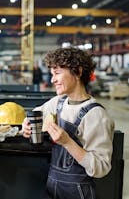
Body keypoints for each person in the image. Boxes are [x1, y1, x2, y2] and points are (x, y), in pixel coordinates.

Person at [22, 47, 115, 199]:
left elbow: (101, 168)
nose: (52, 80)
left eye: (57, 73)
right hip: (52, 186)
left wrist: (67, 142)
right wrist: (27, 122)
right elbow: (37, 112)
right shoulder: (60, 102)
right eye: (52, 74)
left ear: (77, 72)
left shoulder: (96, 115)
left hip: (77, 192)